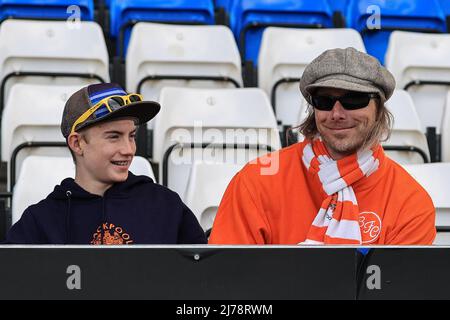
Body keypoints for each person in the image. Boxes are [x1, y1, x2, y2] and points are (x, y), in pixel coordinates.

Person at [209, 47, 436, 245]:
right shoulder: (256, 181)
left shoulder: (410, 202)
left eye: (353, 100)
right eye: (324, 101)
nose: (337, 113)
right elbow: (228, 281)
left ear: (379, 109)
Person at [5, 83, 207, 244]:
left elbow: (204, 280)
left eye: (132, 136)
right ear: (77, 143)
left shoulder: (166, 205)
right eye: (114, 136)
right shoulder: (41, 220)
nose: (128, 149)